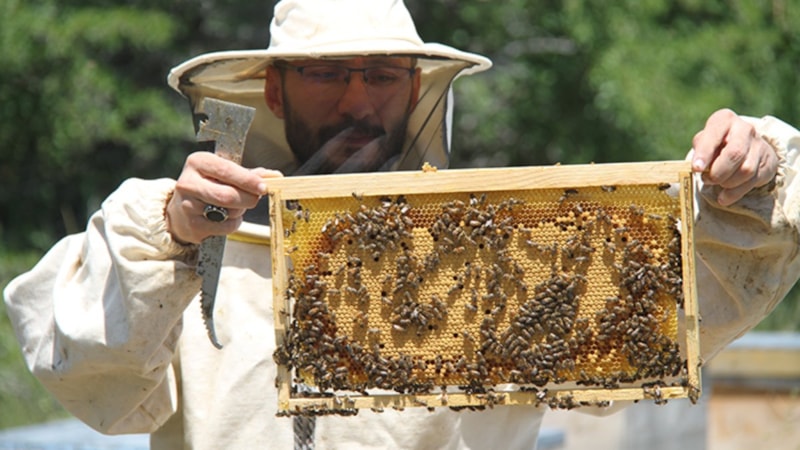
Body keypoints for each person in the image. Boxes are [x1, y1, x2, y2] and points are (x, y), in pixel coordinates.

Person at [4, 0, 799, 449]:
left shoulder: (506, 248)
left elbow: (688, 294)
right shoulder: (183, 235)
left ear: (417, 89)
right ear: (275, 92)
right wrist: (171, 239)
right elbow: (86, 378)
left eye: (381, 76)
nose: (357, 102)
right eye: (326, 77)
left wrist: (751, 175)